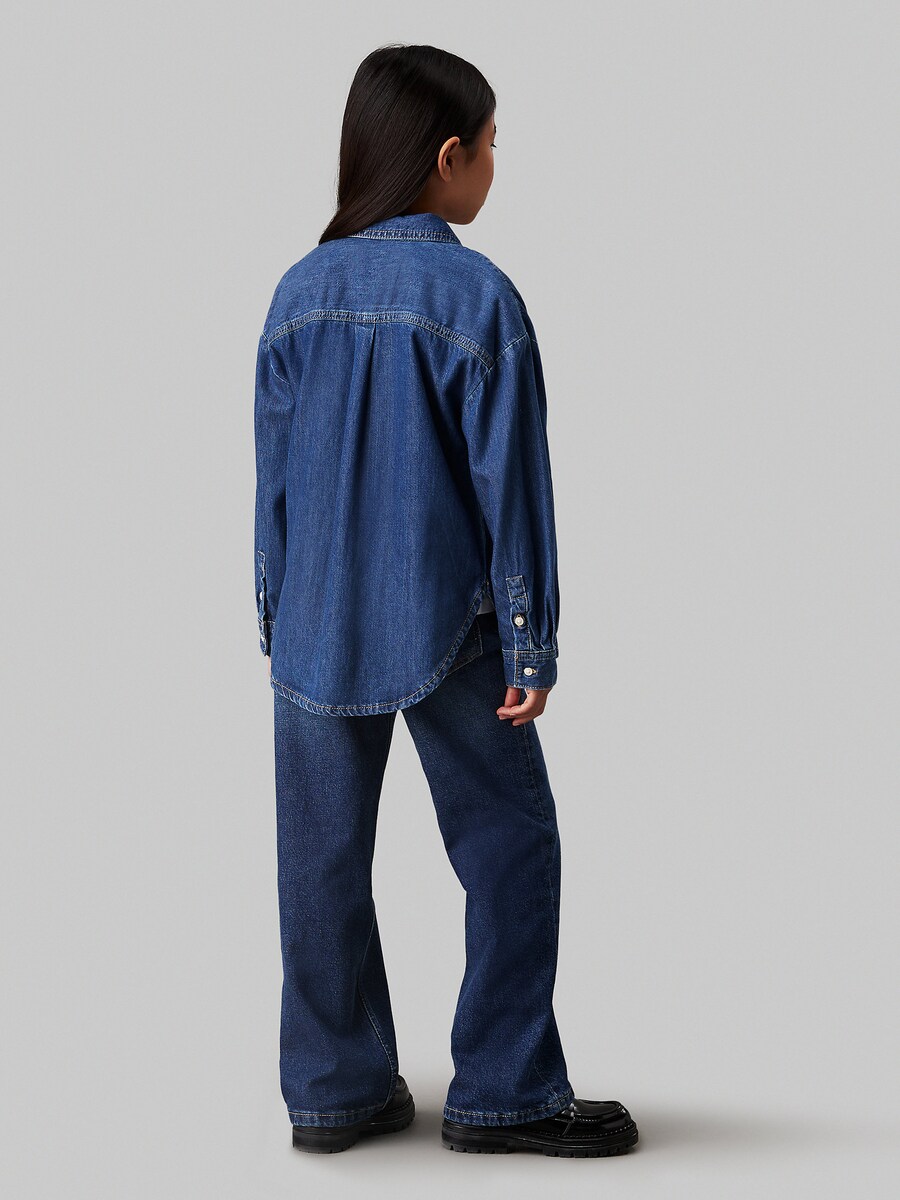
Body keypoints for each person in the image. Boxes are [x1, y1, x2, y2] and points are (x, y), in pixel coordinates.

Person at [253, 42, 638, 1158]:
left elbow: (272, 480)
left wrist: (276, 613)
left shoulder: (296, 292)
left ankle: (334, 1093)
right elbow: (511, 486)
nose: (495, 167)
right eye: (493, 145)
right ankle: (505, 1092)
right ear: (448, 154)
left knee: (318, 865)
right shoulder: (477, 295)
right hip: (451, 627)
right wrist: (529, 642)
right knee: (509, 844)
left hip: (314, 624)